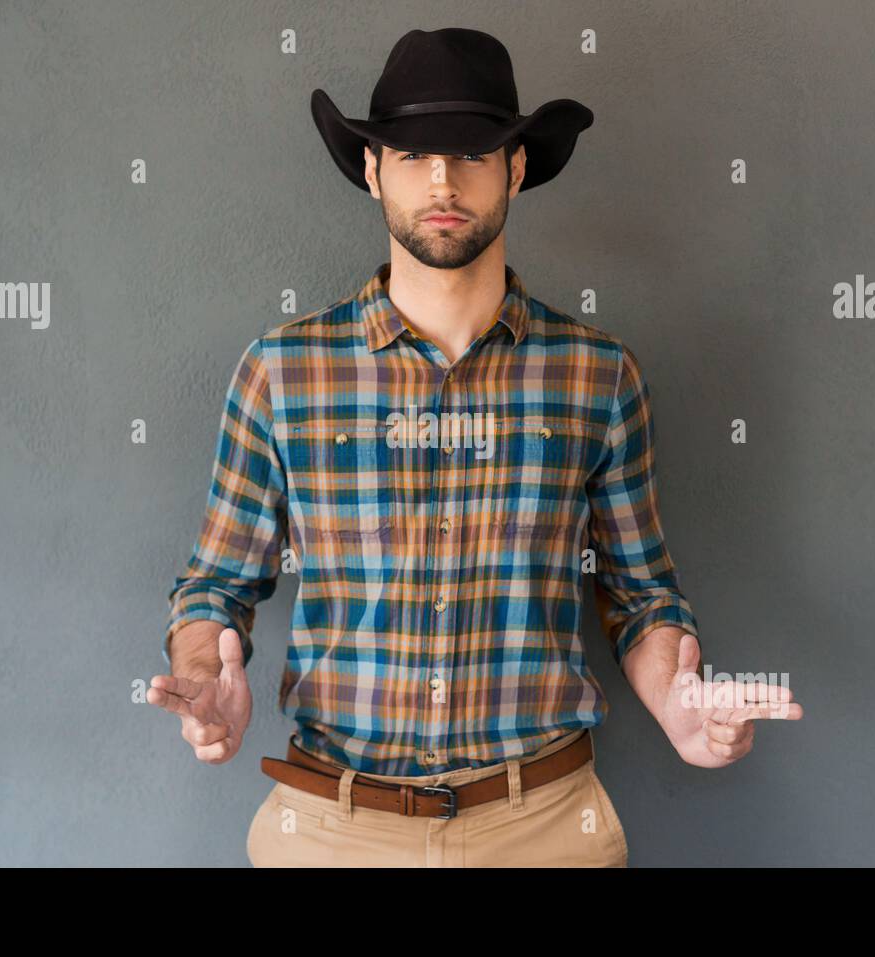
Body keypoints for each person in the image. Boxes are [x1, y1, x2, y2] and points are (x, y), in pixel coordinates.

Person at [148, 27, 802, 867]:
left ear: (517, 168)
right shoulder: (283, 373)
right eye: (413, 154)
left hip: (545, 827)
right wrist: (205, 675)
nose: (443, 180)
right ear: (373, 169)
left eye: (472, 151)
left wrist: (680, 700)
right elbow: (215, 586)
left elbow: (640, 597)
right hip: (330, 827)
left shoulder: (598, 376)